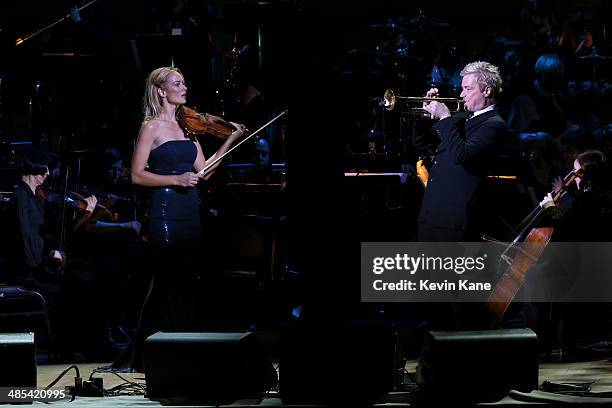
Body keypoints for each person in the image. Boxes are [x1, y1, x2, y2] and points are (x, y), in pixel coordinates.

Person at [111, 66, 244, 371]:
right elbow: (136, 175)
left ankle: (182, 347)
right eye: (177, 83)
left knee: (185, 283)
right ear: (160, 90)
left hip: (190, 213)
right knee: (166, 281)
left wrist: (231, 140)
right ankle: (147, 353)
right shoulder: (151, 127)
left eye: (184, 82)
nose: (184, 88)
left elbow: (203, 170)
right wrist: (175, 181)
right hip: (165, 213)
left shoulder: (187, 128)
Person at [418, 61, 508, 241]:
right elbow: (419, 142)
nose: (461, 94)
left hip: (453, 221)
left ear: (487, 91)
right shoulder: (460, 118)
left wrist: (444, 117)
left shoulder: (494, 125)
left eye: (468, 89)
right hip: (431, 214)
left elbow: (462, 154)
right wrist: (424, 114)